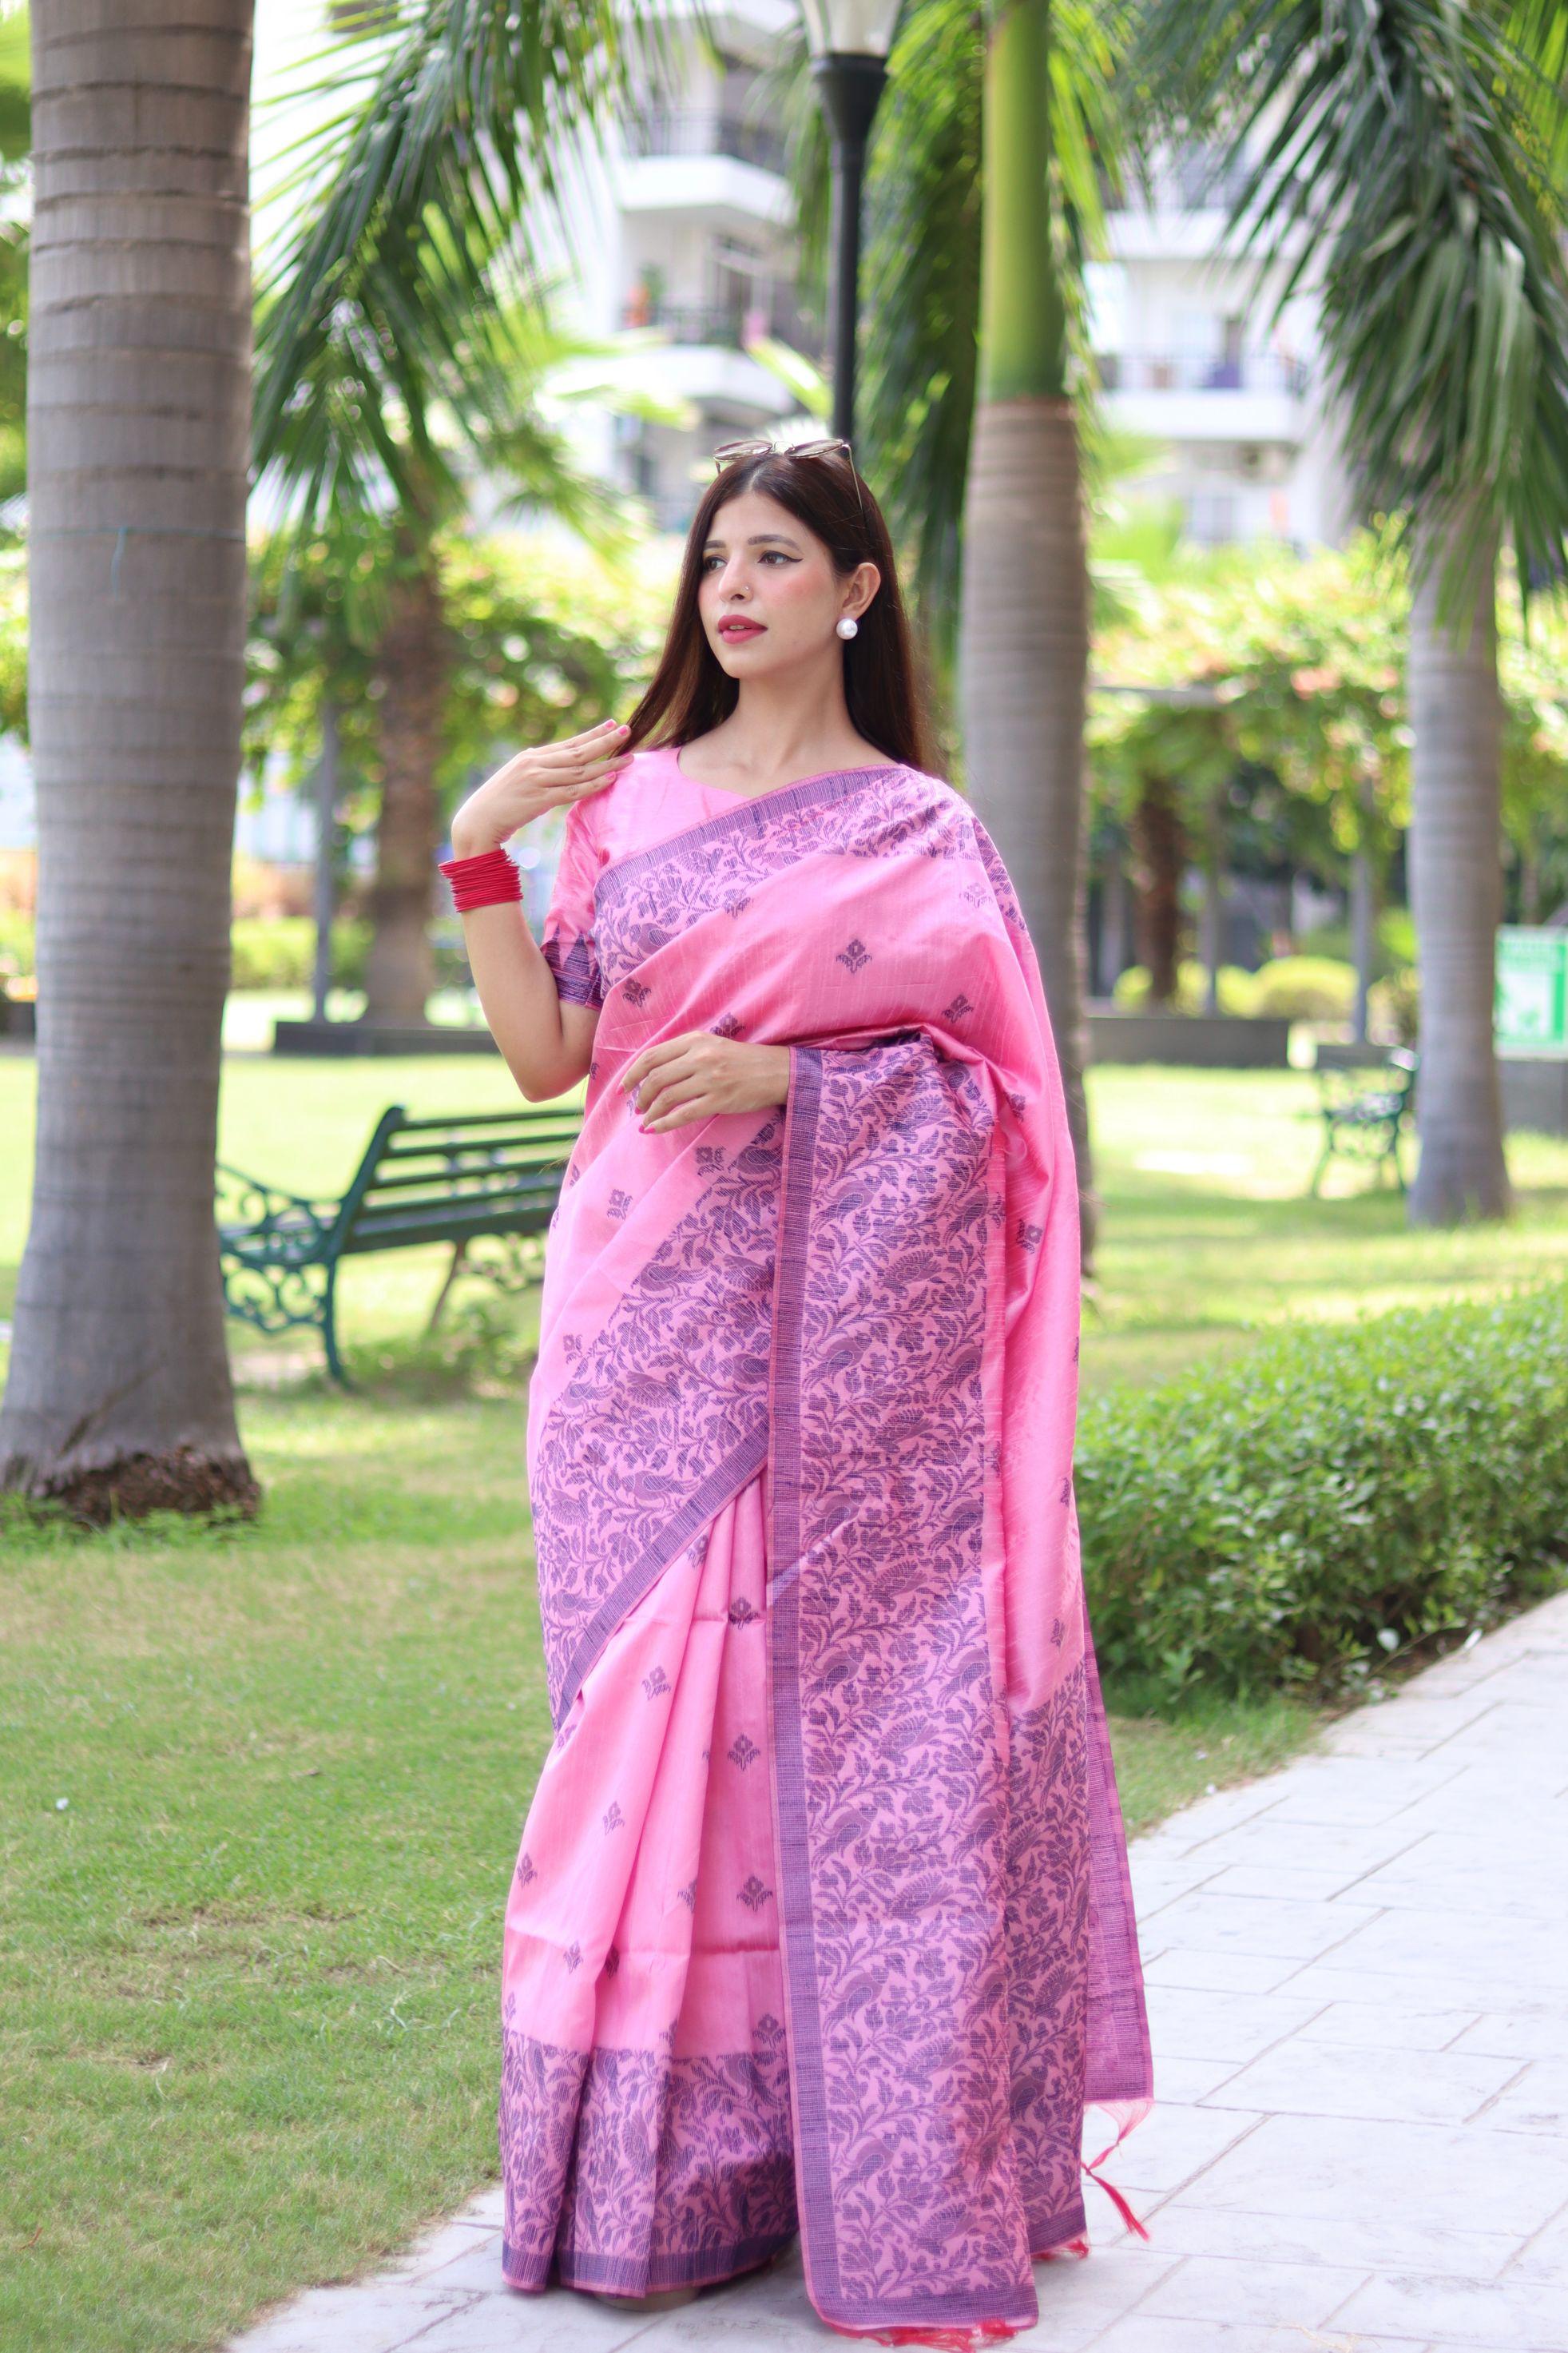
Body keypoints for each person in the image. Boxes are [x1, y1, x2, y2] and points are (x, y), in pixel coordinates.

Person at [439, 439, 1153, 2348]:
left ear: (857, 590)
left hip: (844, 1350)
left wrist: (802, 1085)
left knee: (809, 1729)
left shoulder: (921, 831)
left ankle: (818, 2164)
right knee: (636, 1736)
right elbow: (546, 1056)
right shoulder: (632, 805)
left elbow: (1007, 1118)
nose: (729, 591)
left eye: (772, 558)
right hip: (631, 1330)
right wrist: (479, 845)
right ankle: (653, 2166)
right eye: (711, 561)